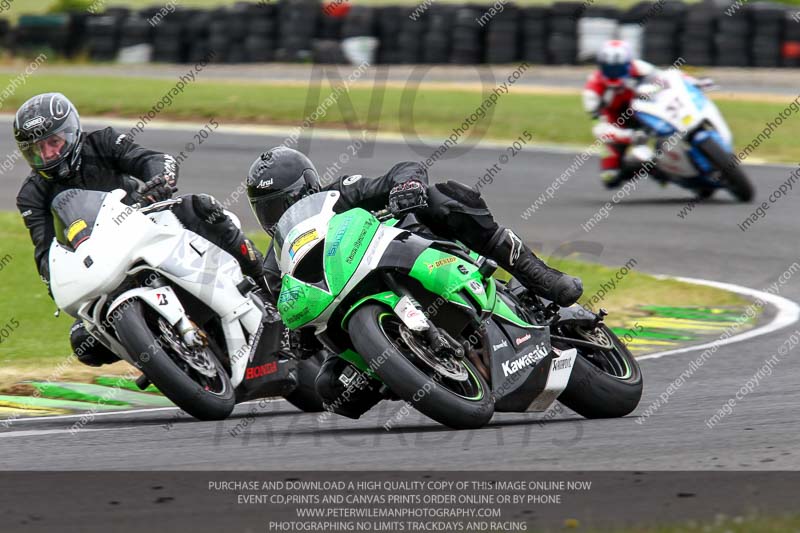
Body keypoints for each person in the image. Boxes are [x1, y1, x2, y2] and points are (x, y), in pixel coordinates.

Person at [245, 146, 583, 419]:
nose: (276, 217)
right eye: (267, 210)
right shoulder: (276, 263)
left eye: (283, 203)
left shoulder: (339, 195)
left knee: (444, 197)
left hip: (407, 251)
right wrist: (296, 334)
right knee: (331, 389)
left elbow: (402, 169)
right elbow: (286, 307)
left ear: (309, 187)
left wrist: (407, 187)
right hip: (352, 317)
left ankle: (536, 274)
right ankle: (411, 370)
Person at [14, 92, 267, 367]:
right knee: (83, 343)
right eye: (37, 149)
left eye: (54, 142)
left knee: (203, 207)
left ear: (72, 132)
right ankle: (167, 362)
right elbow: (45, 252)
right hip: (100, 264)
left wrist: (159, 181)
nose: (48, 154)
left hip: (145, 222)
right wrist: (58, 283)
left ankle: (265, 282)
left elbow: (152, 159)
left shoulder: (102, 142)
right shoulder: (32, 195)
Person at [582, 40, 657, 189]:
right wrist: (628, 135)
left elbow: (669, 79)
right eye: (609, 69)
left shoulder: (642, 68)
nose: (614, 73)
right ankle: (651, 168)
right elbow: (599, 128)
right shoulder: (592, 90)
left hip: (649, 112)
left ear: (628, 63)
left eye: (618, 68)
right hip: (617, 124)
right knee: (610, 178)